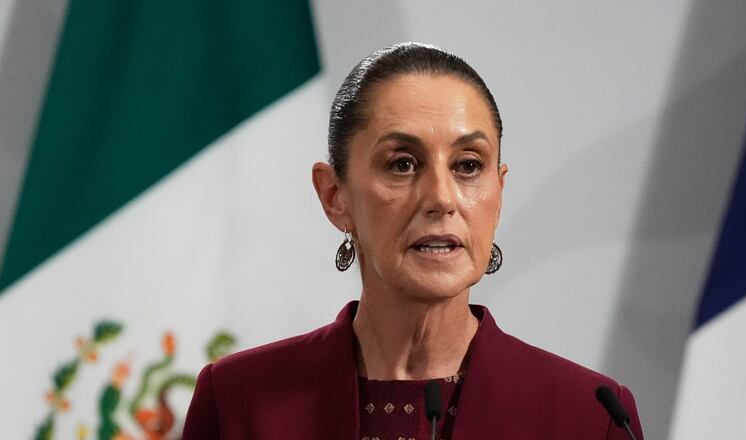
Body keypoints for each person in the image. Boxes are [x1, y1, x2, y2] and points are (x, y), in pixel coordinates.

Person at [182, 42, 643, 439]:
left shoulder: (591, 415)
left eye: (468, 165)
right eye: (402, 164)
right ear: (335, 196)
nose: (441, 198)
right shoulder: (237, 402)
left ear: (499, 191)